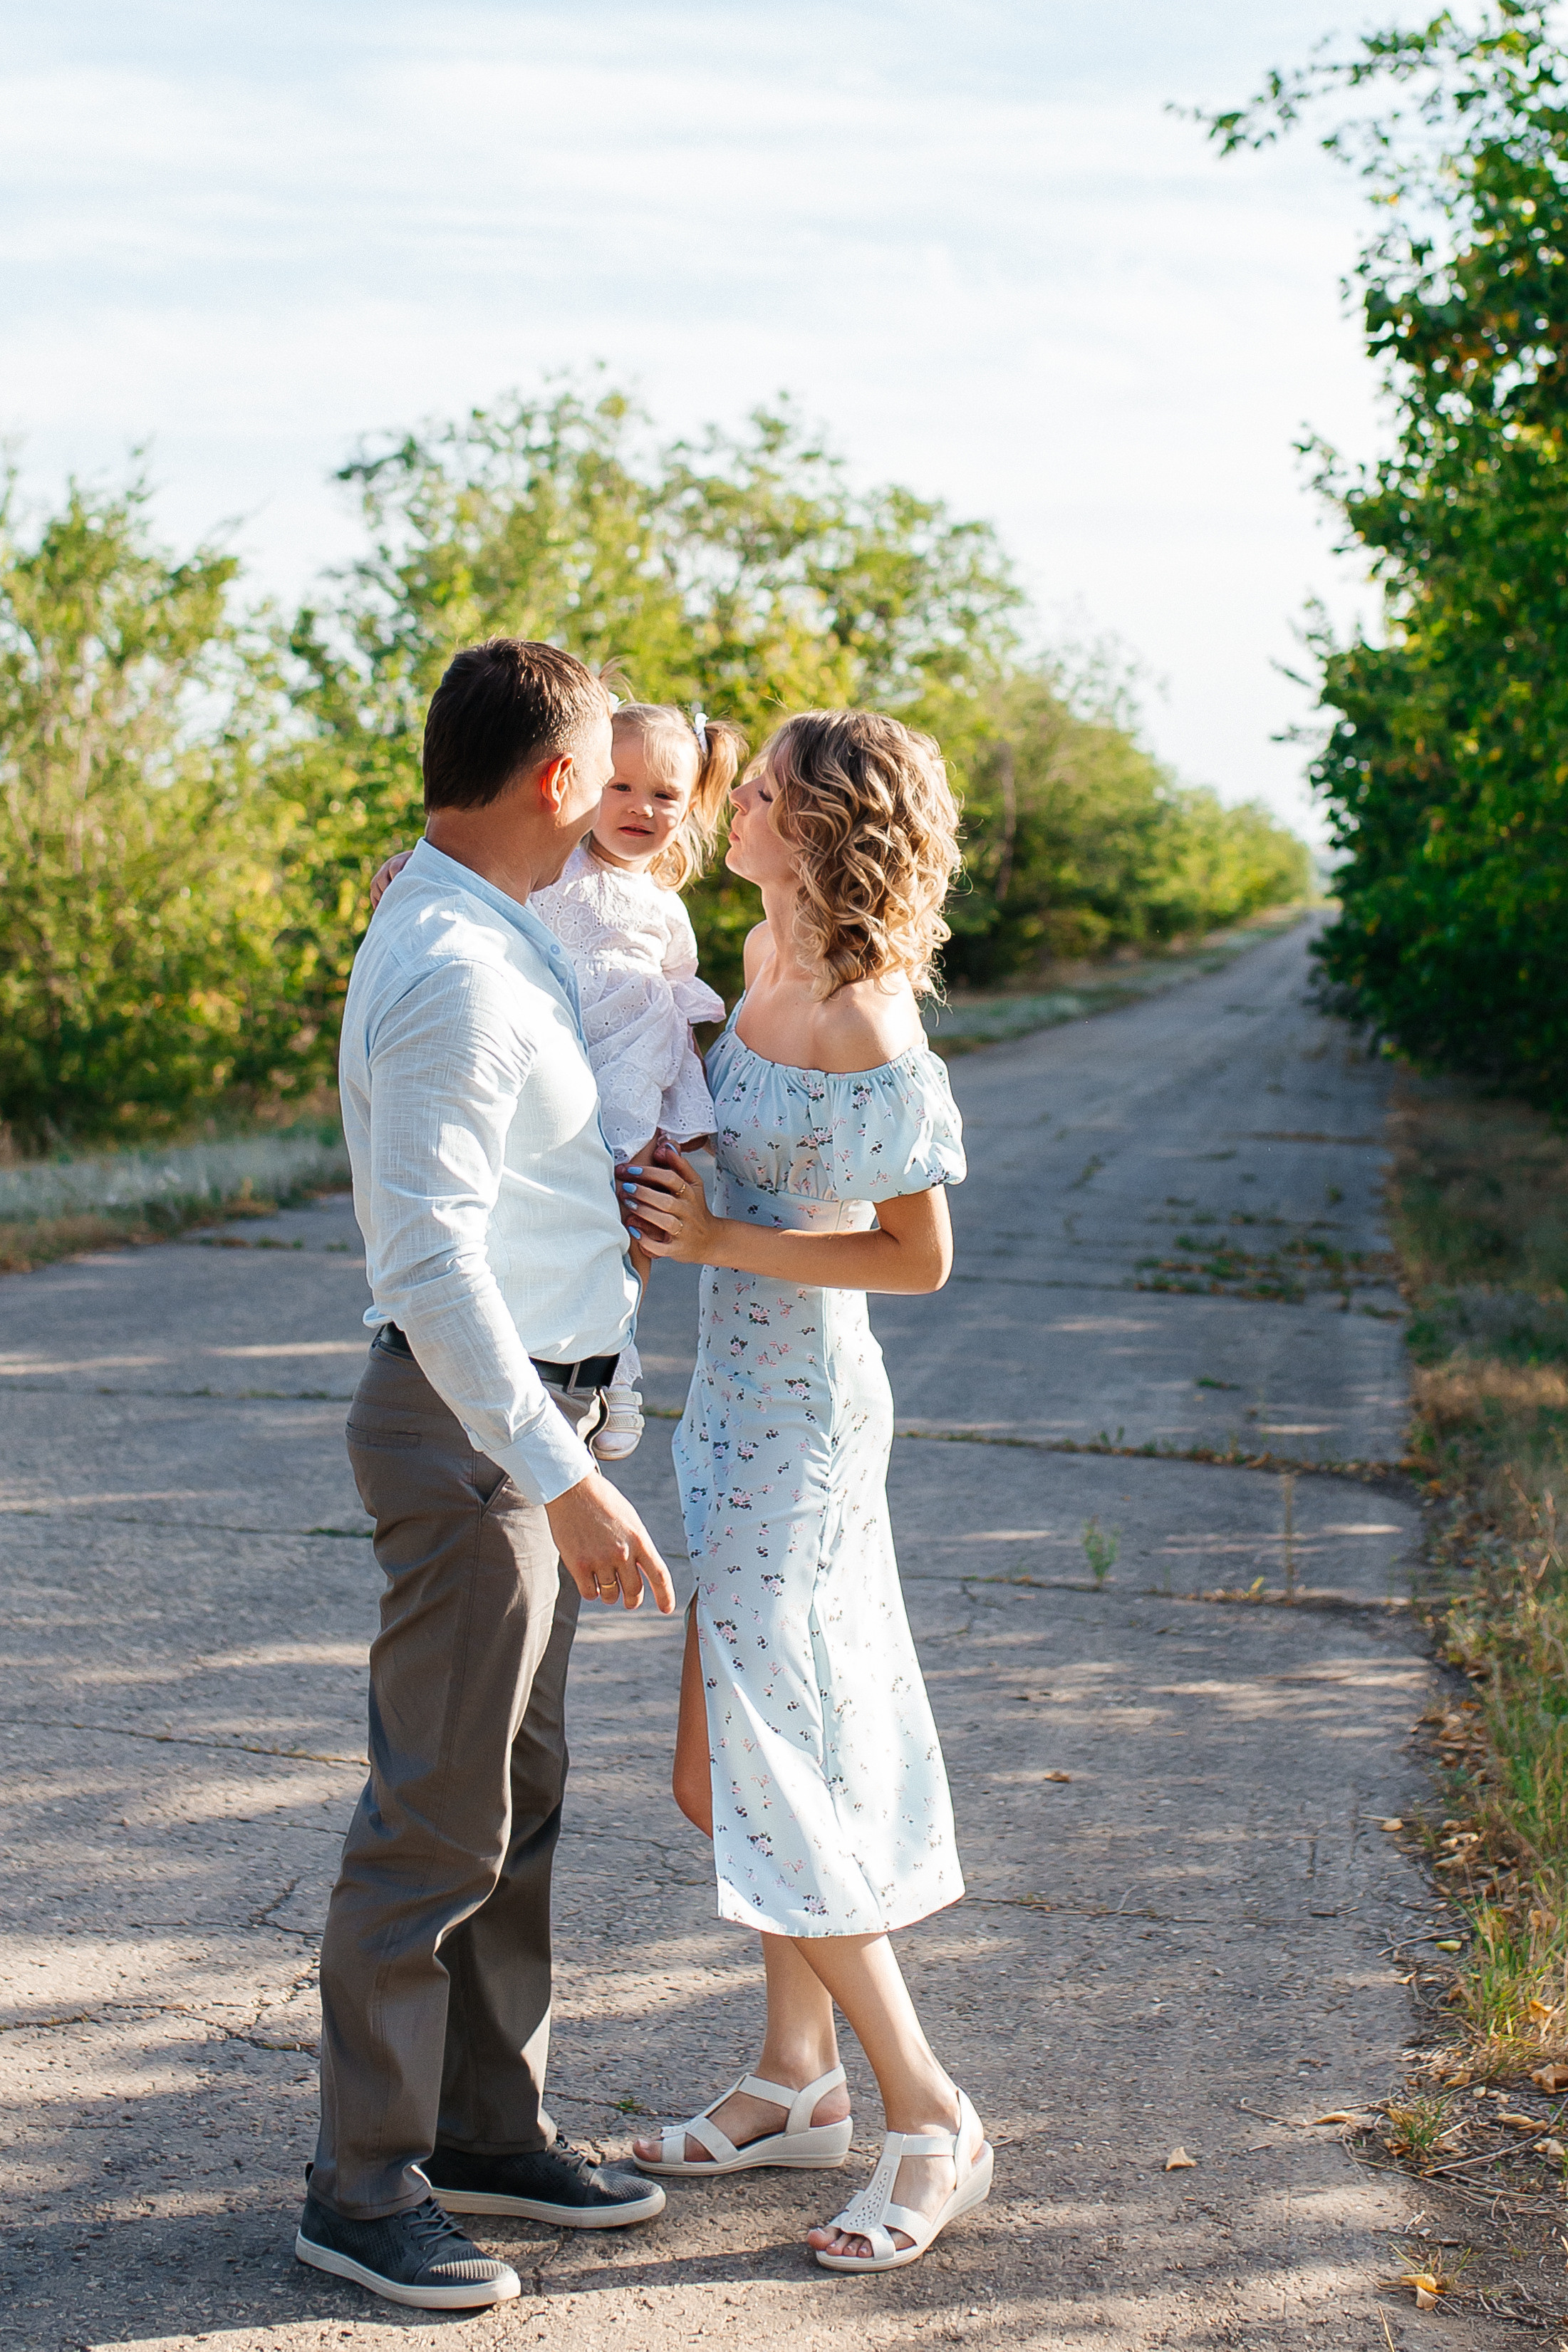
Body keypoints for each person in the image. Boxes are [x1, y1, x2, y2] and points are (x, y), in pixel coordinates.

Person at [297, 638, 677, 2315]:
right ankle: (360, 2186)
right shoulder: (453, 956)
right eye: (605, 765)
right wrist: (565, 1478)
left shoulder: (497, 919)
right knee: (432, 1817)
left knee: (511, 1806)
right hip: (473, 1434)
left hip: (538, 1421)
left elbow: (513, 1188)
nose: (618, 795)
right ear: (552, 781)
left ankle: (485, 2126)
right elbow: (429, 1257)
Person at [619, 709, 993, 2274]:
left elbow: (915, 1260)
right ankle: (795, 2078)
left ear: (825, 832)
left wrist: (714, 1242)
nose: (733, 806)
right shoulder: (753, 946)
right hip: (730, 1408)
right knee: (728, 1772)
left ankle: (927, 2113)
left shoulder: (861, 1019)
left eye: (760, 793)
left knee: (759, 1767)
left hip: (810, 1427)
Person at [370, 697, 747, 1462]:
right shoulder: (556, 864)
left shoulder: (668, 909)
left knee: (633, 1219)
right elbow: (473, 869)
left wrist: (677, 1092)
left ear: (692, 806)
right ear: (586, 783)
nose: (640, 807)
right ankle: (520, 1347)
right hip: (563, 1062)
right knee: (557, 1211)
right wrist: (409, 865)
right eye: (621, 786)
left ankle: (617, 1365)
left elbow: (673, 994)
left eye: (665, 795)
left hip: (631, 1067)